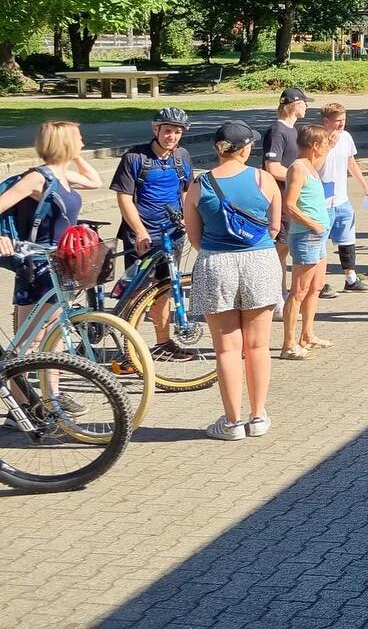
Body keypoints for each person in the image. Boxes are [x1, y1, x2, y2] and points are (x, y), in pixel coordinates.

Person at [181, 121, 283, 441]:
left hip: (216, 263)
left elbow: (195, 237)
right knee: (258, 345)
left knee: (227, 349)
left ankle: (232, 421)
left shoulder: (199, 185)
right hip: (260, 260)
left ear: (218, 149)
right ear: (245, 148)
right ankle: (258, 416)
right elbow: (275, 227)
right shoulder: (263, 179)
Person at [0, 121, 102, 342]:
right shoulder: (37, 178)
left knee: (55, 336)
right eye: (78, 138)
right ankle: (12, 375)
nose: (83, 142)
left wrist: (75, 156)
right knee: (30, 339)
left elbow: (95, 181)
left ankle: (49, 378)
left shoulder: (63, 176)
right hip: (37, 264)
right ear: (65, 143)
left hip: (62, 261)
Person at [110, 106, 195, 361]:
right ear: (155, 129)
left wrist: (188, 222)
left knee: (165, 289)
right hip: (142, 235)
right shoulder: (135, 158)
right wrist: (139, 231)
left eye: (177, 132)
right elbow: (124, 197)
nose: (173, 136)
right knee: (136, 292)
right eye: (168, 130)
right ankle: (129, 350)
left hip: (172, 235)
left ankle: (162, 342)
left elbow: (185, 192)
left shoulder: (182, 156)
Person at [280, 125, 332, 360]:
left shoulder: (311, 165)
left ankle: (307, 334)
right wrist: (313, 224)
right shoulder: (298, 168)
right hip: (306, 236)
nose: (327, 147)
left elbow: (322, 159)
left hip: (318, 236)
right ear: (314, 146)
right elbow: (289, 204)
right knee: (298, 291)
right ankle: (288, 344)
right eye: (325, 144)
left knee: (316, 287)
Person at [262, 86, 312, 319]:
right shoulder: (277, 131)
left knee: (284, 249)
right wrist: (298, 177)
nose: (306, 107)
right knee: (279, 250)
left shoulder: (294, 130)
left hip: (292, 196)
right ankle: (277, 299)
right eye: (303, 103)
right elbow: (272, 167)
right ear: (293, 105)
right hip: (280, 198)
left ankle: (282, 296)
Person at [316, 103, 368, 295]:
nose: (341, 124)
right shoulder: (317, 138)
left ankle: (351, 278)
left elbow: (351, 162)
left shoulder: (346, 137)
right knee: (320, 242)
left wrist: (364, 185)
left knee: (347, 238)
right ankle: (320, 283)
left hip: (342, 198)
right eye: (337, 120)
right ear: (326, 121)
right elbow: (311, 166)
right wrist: (328, 146)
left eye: (344, 119)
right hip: (322, 201)